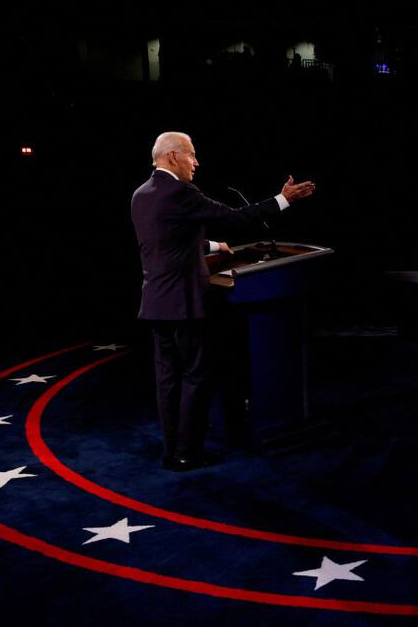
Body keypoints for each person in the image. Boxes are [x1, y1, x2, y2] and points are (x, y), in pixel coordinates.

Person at [131, 131, 316, 471]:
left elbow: (168, 241)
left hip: (156, 303)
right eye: (191, 155)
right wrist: (283, 199)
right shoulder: (181, 192)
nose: (196, 162)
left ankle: (173, 451)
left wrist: (216, 247)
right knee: (195, 376)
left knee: (167, 380)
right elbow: (234, 217)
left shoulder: (141, 195)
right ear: (173, 157)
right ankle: (187, 453)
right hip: (184, 304)